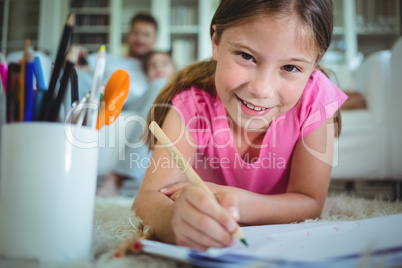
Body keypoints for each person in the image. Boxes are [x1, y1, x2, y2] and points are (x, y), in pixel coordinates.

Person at [133, 0, 348, 250]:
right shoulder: (191, 105)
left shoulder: (316, 100)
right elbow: (148, 198)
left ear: (315, 64)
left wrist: (234, 201)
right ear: (216, 41)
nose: (261, 89)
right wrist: (174, 222)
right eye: (246, 56)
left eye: (290, 67)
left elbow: (310, 202)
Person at [97, 51, 175, 197]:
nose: (158, 68)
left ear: (173, 68)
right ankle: (116, 177)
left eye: (164, 63)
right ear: (146, 74)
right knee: (160, 86)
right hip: (139, 101)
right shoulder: (146, 87)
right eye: (153, 66)